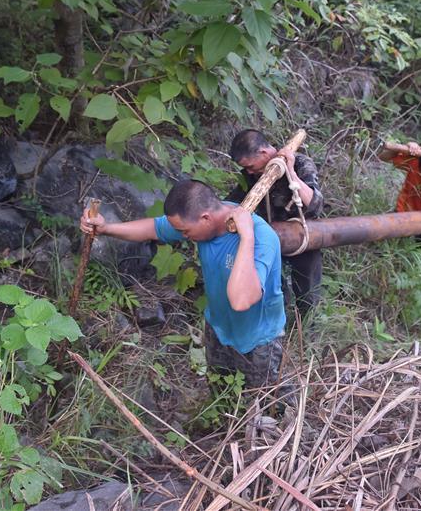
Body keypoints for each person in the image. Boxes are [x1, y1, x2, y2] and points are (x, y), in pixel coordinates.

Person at [79, 180, 286, 388]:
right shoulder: (204, 221)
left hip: (258, 340)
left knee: (263, 399)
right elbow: (153, 228)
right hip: (219, 328)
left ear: (206, 218)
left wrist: (247, 237)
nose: (183, 236)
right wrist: (106, 228)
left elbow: (241, 301)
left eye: (185, 231)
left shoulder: (261, 238)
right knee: (221, 391)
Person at [227, 129, 324, 317]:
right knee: (273, 289)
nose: (249, 171)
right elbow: (234, 202)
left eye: (250, 166)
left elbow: (315, 205)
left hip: (302, 237)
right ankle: (278, 323)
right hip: (271, 238)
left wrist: (291, 173)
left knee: (307, 291)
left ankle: (307, 324)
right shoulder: (251, 173)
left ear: (263, 153)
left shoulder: (300, 163)